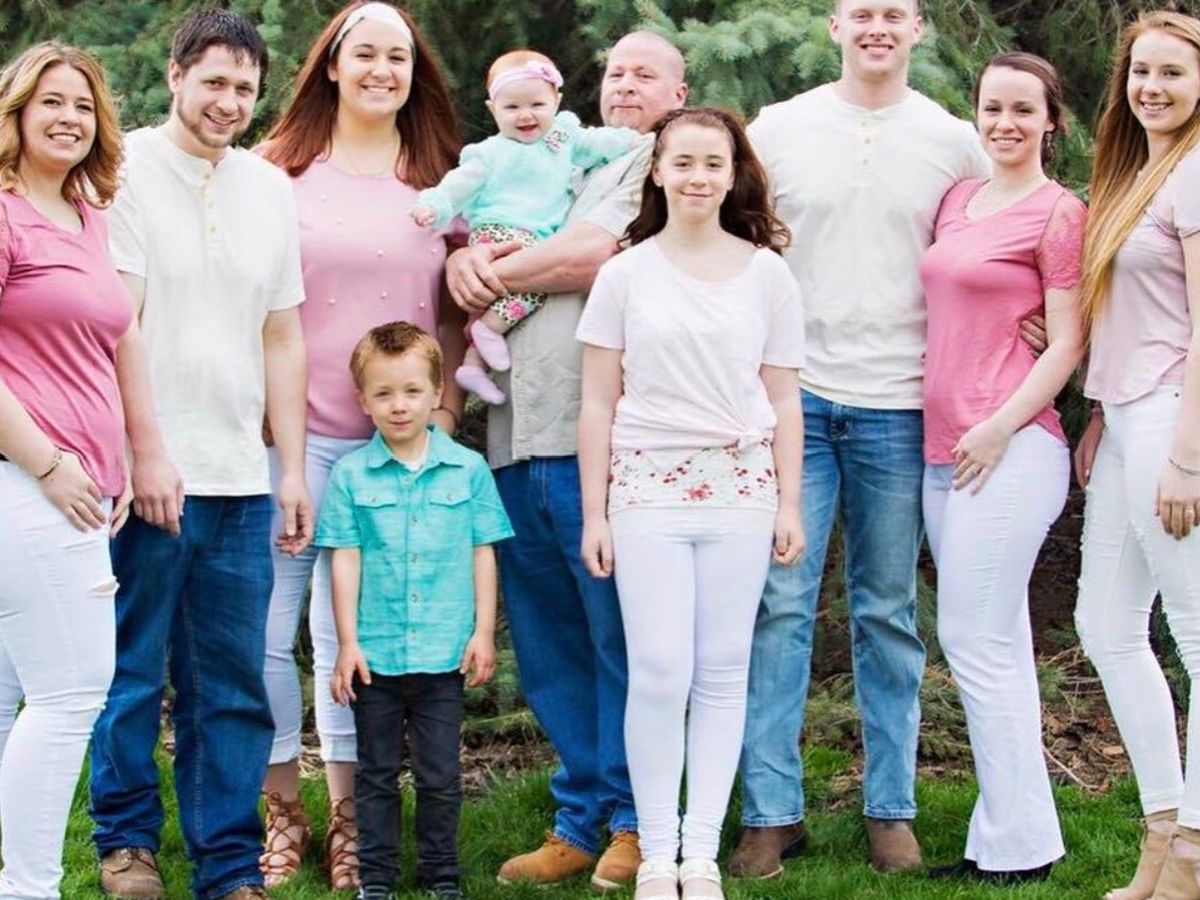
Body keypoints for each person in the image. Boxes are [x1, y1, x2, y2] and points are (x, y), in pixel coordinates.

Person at [732, 0, 994, 877]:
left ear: (917, 29)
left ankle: (891, 810)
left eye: (894, 13)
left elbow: (995, 244)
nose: (877, 26)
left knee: (886, 610)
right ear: (835, 28)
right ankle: (771, 813)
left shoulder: (953, 140)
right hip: (793, 400)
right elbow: (733, 238)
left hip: (900, 402)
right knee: (779, 605)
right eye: (861, 12)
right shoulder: (779, 129)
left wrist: (1028, 320)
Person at [444, 30, 687, 889]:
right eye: (615, 72)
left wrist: (486, 271)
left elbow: (589, 255)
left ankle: (636, 819)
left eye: (646, 74)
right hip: (516, 434)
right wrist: (468, 252)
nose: (625, 85)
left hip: (603, 449)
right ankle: (581, 816)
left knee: (618, 638)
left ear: (678, 94)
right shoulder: (551, 157)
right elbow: (492, 226)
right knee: (550, 646)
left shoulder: (659, 163)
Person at [87, 11, 311, 900]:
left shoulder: (269, 188)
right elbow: (120, 324)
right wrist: (146, 455)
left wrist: (290, 470)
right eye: (214, 81)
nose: (229, 102)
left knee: (231, 687)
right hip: (147, 474)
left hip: (240, 481)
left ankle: (227, 864)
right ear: (176, 75)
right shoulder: (124, 171)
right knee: (132, 673)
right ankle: (125, 843)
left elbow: (282, 334)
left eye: (245, 88)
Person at [256, 1, 465, 888]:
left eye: (399, 57)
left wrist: (445, 413)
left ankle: (351, 819)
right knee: (267, 633)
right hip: (294, 441)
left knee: (356, 635)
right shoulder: (277, 171)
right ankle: (281, 810)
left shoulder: (443, 179)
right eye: (365, 54)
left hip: (396, 451)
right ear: (332, 65)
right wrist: (276, 437)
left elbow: (459, 309)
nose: (383, 70)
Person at [577, 106, 805, 900]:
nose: (698, 177)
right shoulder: (624, 274)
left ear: (734, 173)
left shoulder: (767, 274)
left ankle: (699, 853)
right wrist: (596, 512)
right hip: (647, 488)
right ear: (658, 171)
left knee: (722, 669)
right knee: (659, 669)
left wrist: (789, 504)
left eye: (714, 163)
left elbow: (784, 397)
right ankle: (656, 851)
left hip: (742, 489)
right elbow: (597, 403)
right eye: (683, 162)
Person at [0, 41, 180, 900]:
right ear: (16, 113)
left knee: (16, 692)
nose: (68, 117)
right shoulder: (4, 210)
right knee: (72, 691)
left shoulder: (84, 213)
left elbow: (119, 337)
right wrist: (48, 464)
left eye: (82, 104)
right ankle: (30, 889)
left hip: (78, 489)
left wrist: (133, 455)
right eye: (51, 101)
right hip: (28, 482)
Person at [918, 51, 1085, 885]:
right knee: (1000, 644)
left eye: (1024, 109)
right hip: (942, 451)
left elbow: (1068, 342)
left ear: (1051, 121)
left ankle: (1014, 846)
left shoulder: (1059, 213)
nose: (1006, 123)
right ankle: (1016, 836)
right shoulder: (956, 200)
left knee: (972, 638)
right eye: (992, 108)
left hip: (1011, 449)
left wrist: (999, 426)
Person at [317, 322, 513, 900]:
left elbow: (482, 553)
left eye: (411, 391)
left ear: (436, 395)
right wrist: (348, 643)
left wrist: (482, 632)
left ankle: (441, 874)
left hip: (443, 653)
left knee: (440, 775)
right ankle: (376, 878)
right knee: (375, 773)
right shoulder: (351, 475)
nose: (398, 405)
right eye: (383, 393)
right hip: (375, 656)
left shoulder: (467, 471)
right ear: (364, 401)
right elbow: (345, 559)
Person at [1074, 11, 1200, 900]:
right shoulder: (1136, 172)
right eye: (1140, 72)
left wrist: (1188, 459)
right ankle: (1162, 832)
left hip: (1172, 421)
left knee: (1198, 633)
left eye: (1172, 73)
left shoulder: (1196, 174)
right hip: (1124, 417)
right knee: (1107, 624)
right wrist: (1097, 415)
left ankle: (1194, 850)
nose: (1151, 88)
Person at [412, 49, 640, 405]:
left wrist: (630, 141)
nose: (525, 115)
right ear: (493, 110)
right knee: (535, 286)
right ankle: (488, 329)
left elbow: (597, 143)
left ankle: (473, 364)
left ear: (556, 102)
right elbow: (457, 186)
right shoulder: (490, 153)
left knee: (523, 286)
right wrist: (433, 205)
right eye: (512, 107)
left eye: (537, 104)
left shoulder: (563, 138)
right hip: (499, 232)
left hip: (537, 237)